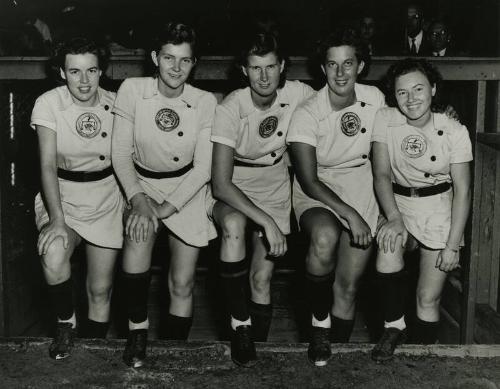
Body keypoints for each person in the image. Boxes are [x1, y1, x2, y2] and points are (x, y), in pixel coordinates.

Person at [111, 22, 217, 368]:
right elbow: (120, 155)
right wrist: (141, 204)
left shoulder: (204, 102)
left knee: (182, 281)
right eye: (169, 58)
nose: (175, 68)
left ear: (193, 63)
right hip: (141, 184)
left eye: (184, 61)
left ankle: (175, 349)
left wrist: (165, 208)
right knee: (138, 237)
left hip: (185, 189)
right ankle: (137, 333)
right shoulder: (133, 89)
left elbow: (203, 169)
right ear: (155, 57)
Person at [211, 32, 314, 367]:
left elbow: (339, 102)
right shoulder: (231, 107)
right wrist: (267, 222)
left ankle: (256, 349)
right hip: (236, 186)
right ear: (244, 70)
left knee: (262, 277)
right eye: (256, 68)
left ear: (282, 66)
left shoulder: (296, 92)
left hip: (274, 185)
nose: (265, 76)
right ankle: (239, 326)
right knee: (234, 227)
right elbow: (221, 185)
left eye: (271, 67)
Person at [287, 28, 385, 367]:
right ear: (323, 68)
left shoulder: (375, 99)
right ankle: (319, 325)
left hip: (363, 184)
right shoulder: (307, 111)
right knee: (325, 236)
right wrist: (351, 215)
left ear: (360, 66)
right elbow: (308, 179)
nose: (340, 73)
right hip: (319, 190)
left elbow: (395, 142)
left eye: (348, 63)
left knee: (347, 287)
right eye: (332, 64)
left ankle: (336, 356)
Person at [370, 58, 472, 361]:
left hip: (439, 208)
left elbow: (463, 190)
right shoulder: (385, 119)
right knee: (388, 247)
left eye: (418, 89)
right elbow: (381, 175)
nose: (411, 99)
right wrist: (394, 218)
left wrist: (453, 245)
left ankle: (423, 359)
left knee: (428, 298)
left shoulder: (454, 129)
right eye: (402, 92)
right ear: (394, 96)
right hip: (398, 203)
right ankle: (393, 326)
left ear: (433, 89)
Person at [31, 37, 124, 360]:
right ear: (61, 72)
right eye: (74, 72)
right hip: (62, 196)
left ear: (101, 71)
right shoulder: (49, 103)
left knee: (100, 290)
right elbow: (45, 165)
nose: (84, 81)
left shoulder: (116, 103)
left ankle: (94, 352)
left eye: (91, 71)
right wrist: (57, 220)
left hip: (106, 196)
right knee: (53, 252)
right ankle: (65, 325)